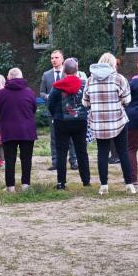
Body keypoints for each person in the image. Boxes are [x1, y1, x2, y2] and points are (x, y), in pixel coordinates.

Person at [83, 53, 136, 195]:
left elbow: (85, 102)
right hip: (118, 121)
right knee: (123, 152)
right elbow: (127, 100)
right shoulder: (119, 79)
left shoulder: (89, 80)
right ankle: (129, 184)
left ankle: (104, 185)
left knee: (102, 153)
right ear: (113, 64)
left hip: (99, 122)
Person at [48, 58, 91, 189]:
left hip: (62, 121)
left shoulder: (57, 86)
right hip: (80, 120)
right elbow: (88, 101)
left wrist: (56, 114)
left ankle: (61, 183)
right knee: (81, 151)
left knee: (61, 152)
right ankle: (86, 181)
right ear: (77, 70)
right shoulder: (84, 85)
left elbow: (50, 103)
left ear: (64, 71)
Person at [0, 68, 37, 192]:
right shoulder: (29, 92)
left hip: (8, 129)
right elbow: (33, 108)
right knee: (26, 158)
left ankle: (10, 186)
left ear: (8, 78)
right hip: (27, 130)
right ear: (21, 77)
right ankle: (25, 185)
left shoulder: (1, 93)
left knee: (9, 159)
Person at [40, 50, 78, 171]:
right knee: (54, 137)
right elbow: (41, 92)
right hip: (53, 111)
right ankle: (55, 162)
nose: (54, 60)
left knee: (71, 138)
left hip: (68, 110)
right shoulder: (46, 75)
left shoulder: (69, 73)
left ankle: (73, 161)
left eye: (56, 57)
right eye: (52, 58)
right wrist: (48, 96)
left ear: (62, 59)